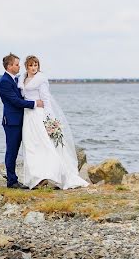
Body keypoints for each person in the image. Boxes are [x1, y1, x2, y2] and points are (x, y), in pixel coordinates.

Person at [18, 55, 87, 189]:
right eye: (31, 65)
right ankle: (36, 177)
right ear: (26, 66)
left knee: (44, 144)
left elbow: (46, 99)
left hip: (38, 115)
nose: (34, 68)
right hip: (28, 116)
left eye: (36, 65)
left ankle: (52, 173)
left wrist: (49, 118)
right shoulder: (22, 79)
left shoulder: (41, 80)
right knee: (30, 145)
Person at [0, 53, 43, 189]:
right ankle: (11, 181)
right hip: (12, 121)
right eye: (17, 65)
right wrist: (35, 103)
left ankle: (34, 177)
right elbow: (15, 101)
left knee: (28, 149)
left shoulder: (16, 79)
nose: (19, 67)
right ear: (9, 66)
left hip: (23, 120)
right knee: (12, 151)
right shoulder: (4, 82)